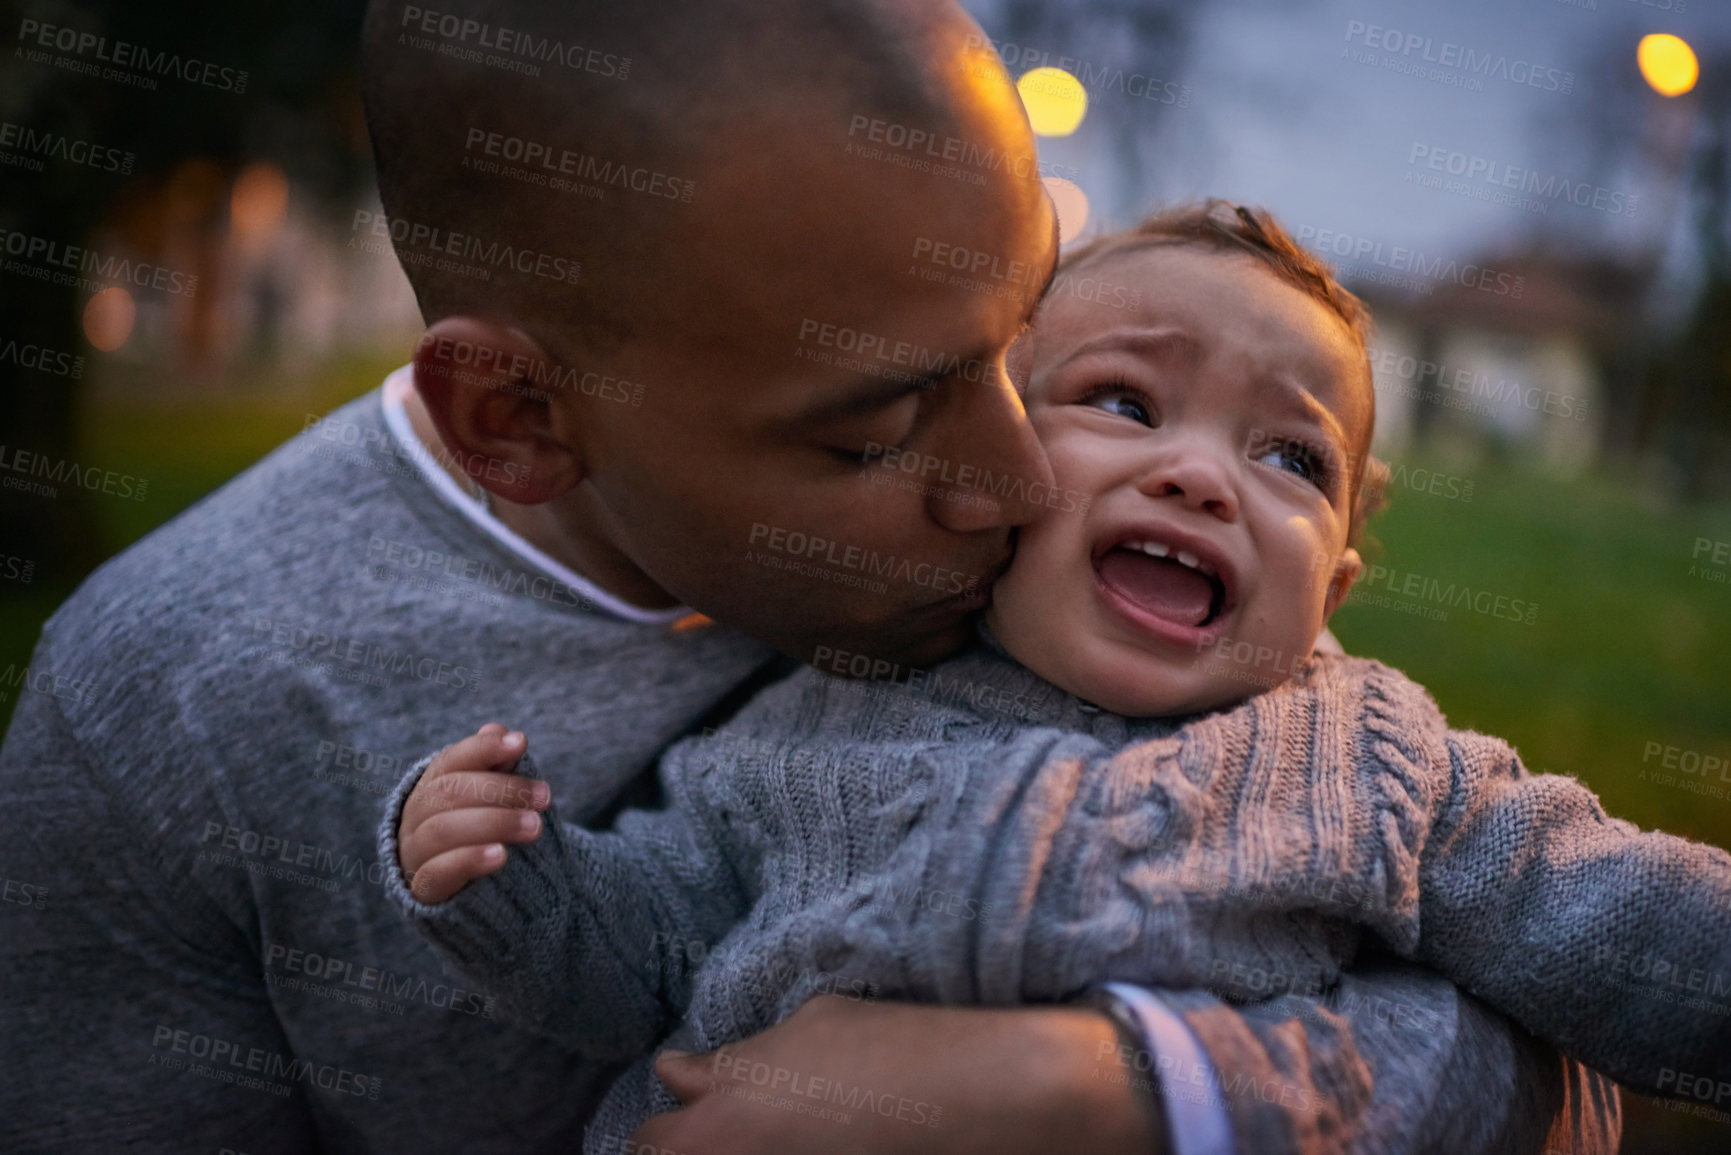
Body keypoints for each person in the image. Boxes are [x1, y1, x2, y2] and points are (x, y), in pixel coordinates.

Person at [0, 0, 1615, 1149]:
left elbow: (1567, 1047)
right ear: (517, 419)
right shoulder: (162, 718)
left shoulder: (1092, 567)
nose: (1021, 477)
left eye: (1015, 348)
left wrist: (1113, 1093)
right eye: (876, 432)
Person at [384, 203, 1694, 1152]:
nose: (1199, 474)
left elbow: (1610, 914)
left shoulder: (1378, 766)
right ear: (991, 466)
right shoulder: (826, 705)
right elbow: (649, 945)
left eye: (1291, 459)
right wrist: (514, 876)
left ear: (1334, 590)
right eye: (1124, 403)